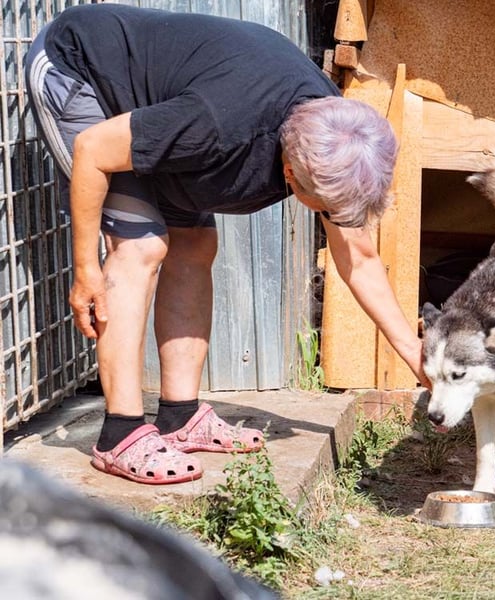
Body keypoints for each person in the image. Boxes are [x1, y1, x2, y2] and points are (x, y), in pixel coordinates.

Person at [25, 4, 428, 484]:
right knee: (142, 246)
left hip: (163, 98)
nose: (330, 218)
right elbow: (93, 150)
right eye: (320, 205)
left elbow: (358, 257)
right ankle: (120, 434)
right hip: (80, 71)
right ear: (288, 174)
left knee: (194, 244)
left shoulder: (336, 131)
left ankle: (179, 417)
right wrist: (86, 269)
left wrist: (415, 354)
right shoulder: (219, 126)